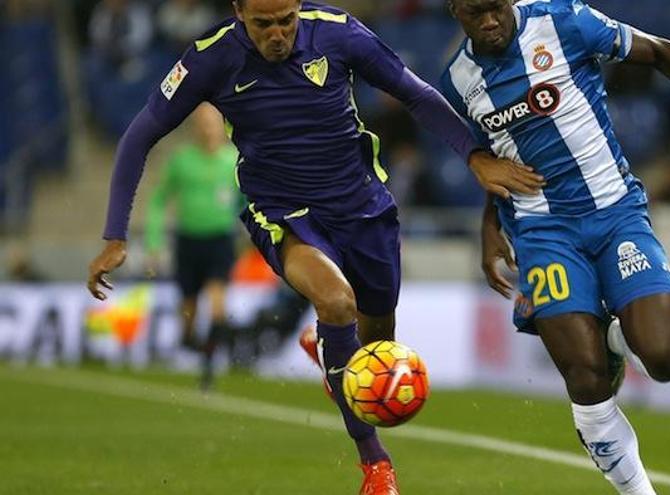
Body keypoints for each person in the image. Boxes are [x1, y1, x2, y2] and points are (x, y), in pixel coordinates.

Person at [86, 1, 544, 493]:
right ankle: (376, 467)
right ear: (240, 12)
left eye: (286, 20)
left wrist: (474, 156)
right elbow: (139, 136)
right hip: (281, 210)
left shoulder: (339, 34)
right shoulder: (210, 57)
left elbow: (414, 93)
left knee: (375, 348)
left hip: (364, 208)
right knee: (335, 300)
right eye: (264, 24)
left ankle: (329, 351)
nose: (278, 34)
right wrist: (116, 235)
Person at [441, 1, 670, 494]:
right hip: (542, 231)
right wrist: (492, 229)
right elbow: (489, 159)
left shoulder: (564, 21)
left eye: (494, 8)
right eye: (473, 14)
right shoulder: (458, 80)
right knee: (586, 378)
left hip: (616, 213)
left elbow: (660, 51)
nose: (487, 22)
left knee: (663, 358)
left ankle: (614, 340)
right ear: (454, 12)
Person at [144, 102, 240, 389]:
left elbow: (249, 201)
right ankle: (194, 343)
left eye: (213, 124)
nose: (209, 130)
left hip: (220, 242)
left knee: (218, 304)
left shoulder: (233, 160)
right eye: (203, 124)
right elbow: (159, 201)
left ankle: (209, 369)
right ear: (195, 129)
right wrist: (153, 242)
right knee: (188, 315)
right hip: (187, 243)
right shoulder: (182, 161)